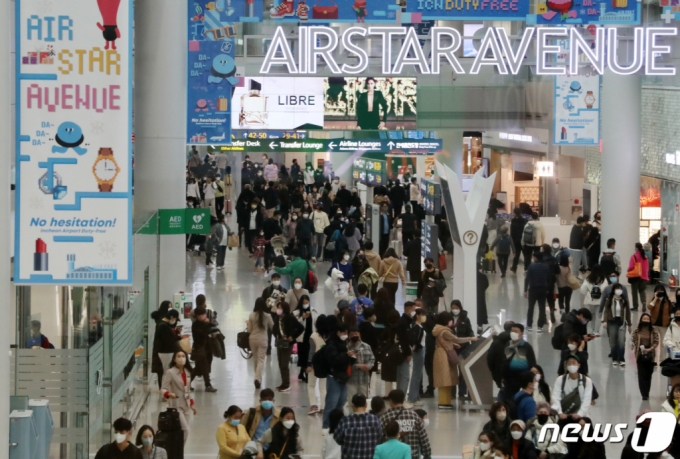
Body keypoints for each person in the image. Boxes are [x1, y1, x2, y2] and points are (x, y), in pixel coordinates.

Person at [433, 311, 477, 408]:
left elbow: (442, 341)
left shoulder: (439, 329)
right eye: (451, 320)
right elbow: (456, 339)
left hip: (441, 353)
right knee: (445, 380)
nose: (452, 323)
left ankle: (445, 401)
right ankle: (443, 403)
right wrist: (471, 338)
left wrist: (452, 344)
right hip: (444, 355)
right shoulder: (445, 331)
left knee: (445, 379)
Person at [379, 390, 432, 459]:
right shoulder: (414, 416)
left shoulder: (384, 417)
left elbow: (379, 439)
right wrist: (427, 455)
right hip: (412, 456)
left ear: (390, 401)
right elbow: (423, 438)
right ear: (403, 400)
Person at [333, 394, 383, 459]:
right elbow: (380, 438)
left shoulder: (345, 421)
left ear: (353, 406)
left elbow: (337, 438)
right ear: (366, 405)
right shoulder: (375, 420)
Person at [161, 351, 197, 441]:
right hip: (176, 406)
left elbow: (187, 390)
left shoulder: (187, 372)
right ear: (174, 359)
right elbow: (163, 389)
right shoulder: (170, 372)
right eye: (179, 356)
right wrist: (169, 394)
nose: (181, 358)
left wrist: (191, 404)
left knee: (182, 431)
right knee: (185, 430)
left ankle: (178, 452)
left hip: (186, 406)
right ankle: (178, 451)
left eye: (183, 356)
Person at [323, 323, 351, 429]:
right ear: (338, 333)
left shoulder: (343, 344)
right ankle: (326, 426)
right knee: (331, 403)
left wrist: (351, 357)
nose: (346, 335)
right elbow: (334, 360)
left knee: (341, 402)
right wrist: (346, 355)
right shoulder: (331, 344)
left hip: (342, 376)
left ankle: (338, 425)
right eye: (344, 333)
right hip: (333, 376)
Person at [274, 302, 305, 392]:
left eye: (280, 307)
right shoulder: (277, 318)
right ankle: (283, 382)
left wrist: (292, 336)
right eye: (278, 307)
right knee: (280, 363)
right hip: (280, 343)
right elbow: (274, 329)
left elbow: (300, 327)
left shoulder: (290, 318)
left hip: (288, 344)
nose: (278, 309)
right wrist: (277, 335)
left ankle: (287, 384)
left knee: (284, 364)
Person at [551, 355, 593, 420]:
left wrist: (579, 414)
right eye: (569, 363)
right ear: (566, 366)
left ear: (578, 365)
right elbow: (556, 398)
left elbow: (587, 400)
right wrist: (560, 413)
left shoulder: (587, 381)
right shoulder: (560, 380)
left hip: (582, 415)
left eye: (574, 363)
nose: (571, 365)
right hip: (564, 414)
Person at [502, 324, 537, 401]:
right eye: (512, 331)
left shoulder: (527, 347)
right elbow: (504, 361)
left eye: (516, 331)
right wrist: (503, 376)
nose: (513, 333)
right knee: (509, 400)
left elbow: (532, 364)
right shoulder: (508, 345)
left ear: (522, 333)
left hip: (522, 378)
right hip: (510, 378)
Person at [600, 282, 632, 366]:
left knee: (621, 341)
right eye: (617, 289)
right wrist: (605, 321)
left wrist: (629, 324)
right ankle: (615, 358)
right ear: (613, 290)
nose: (619, 290)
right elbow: (606, 311)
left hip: (621, 322)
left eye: (620, 289)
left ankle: (621, 358)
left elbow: (628, 313)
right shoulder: (609, 300)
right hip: (611, 322)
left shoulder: (625, 301)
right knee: (613, 341)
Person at [151, 309, 182, 390]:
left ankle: (165, 390)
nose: (175, 321)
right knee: (165, 372)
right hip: (165, 352)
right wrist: (177, 337)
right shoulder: (163, 326)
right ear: (171, 317)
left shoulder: (164, 325)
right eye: (175, 319)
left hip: (165, 352)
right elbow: (168, 340)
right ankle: (164, 390)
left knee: (165, 371)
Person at [631, 313, 660, 400]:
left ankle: (647, 391)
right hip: (640, 354)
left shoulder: (654, 330)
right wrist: (636, 346)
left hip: (650, 354)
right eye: (644, 319)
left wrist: (650, 349)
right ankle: (644, 394)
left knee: (648, 374)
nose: (646, 320)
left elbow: (656, 342)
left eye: (647, 319)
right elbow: (634, 339)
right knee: (641, 374)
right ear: (641, 320)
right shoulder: (637, 330)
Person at [450, 300, 474, 398]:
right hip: (451, 348)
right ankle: (452, 392)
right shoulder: (448, 318)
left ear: (460, 308)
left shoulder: (465, 319)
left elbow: (470, 331)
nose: (455, 310)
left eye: (456, 308)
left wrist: (473, 339)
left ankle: (462, 392)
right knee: (452, 370)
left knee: (462, 370)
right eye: (453, 308)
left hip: (463, 348)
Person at [248, 298, 274, 389]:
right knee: (261, 360)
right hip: (263, 340)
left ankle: (258, 379)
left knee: (255, 360)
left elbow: (249, 330)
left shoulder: (251, 315)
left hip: (253, 339)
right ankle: (257, 379)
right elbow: (273, 327)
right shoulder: (267, 316)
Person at [307, 315, 330, 415]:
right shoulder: (329, 336)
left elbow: (311, 351)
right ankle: (324, 408)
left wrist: (309, 363)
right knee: (323, 387)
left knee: (311, 385)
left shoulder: (313, 336)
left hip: (314, 364)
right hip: (326, 364)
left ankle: (313, 406)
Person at [191, 307, 217, 392]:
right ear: (197, 316)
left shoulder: (200, 324)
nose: (205, 316)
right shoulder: (197, 325)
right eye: (202, 314)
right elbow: (207, 331)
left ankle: (185, 384)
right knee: (204, 367)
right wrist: (207, 323)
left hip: (203, 349)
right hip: (199, 349)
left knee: (197, 368)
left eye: (205, 314)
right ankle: (208, 385)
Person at [345, 327, 375, 402]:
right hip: (351, 380)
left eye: (356, 334)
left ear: (359, 334)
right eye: (352, 334)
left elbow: (372, 359)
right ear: (349, 336)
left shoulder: (367, 346)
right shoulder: (346, 348)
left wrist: (369, 365)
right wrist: (358, 366)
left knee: (363, 400)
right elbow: (345, 364)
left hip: (364, 379)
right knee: (351, 401)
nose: (354, 335)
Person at [524, 252, 551, 332]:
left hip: (533, 289)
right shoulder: (546, 266)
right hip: (543, 289)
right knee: (542, 308)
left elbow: (527, 279)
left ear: (535, 257)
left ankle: (529, 325)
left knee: (531, 307)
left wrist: (525, 290)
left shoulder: (531, 266)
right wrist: (547, 289)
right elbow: (549, 279)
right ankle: (540, 326)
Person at [406, 308, 427, 406]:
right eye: (422, 314)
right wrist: (417, 347)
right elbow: (415, 341)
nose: (424, 316)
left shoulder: (418, 326)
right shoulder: (416, 327)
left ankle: (416, 396)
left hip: (420, 350)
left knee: (418, 374)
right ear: (417, 316)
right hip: (419, 351)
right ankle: (412, 398)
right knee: (416, 374)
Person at [293, 294, 316, 383]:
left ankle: (303, 373)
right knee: (303, 356)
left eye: (307, 302)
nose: (306, 304)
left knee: (309, 355)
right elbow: (296, 325)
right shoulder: (297, 313)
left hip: (311, 336)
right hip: (302, 338)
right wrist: (302, 317)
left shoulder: (313, 311)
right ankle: (305, 373)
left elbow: (315, 323)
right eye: (304, 303)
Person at [580, 265, 606, 334]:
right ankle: (596, 331)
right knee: (598, 315)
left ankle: (593, 328)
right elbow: (606, 290)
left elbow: (582, 290)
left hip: (590, 300)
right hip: (600, 300)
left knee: (592, 315)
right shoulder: (604, 279)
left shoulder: (588, 279)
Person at [488, 321, 514, 389]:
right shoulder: (517, 342)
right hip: (514, 373)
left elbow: (490, 358)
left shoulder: (496, 342)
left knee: (503, 391)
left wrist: (493, 372)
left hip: (499, 372)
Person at [628, 242, 650, 311]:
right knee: (642, 290)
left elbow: (631, 267)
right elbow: (647, 267)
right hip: (644, 277)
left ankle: (635, 306)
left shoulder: (634, 256)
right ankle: (643, 302)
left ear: (637, 248)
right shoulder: (645, 257)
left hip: (635, 276)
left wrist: (628, 270)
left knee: (634, 292)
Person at [510, 208, 528, 273]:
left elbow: (512, 232)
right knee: (525, 255)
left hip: (516, 240)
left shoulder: (513, 220)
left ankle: (514, 267)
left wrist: (512, 241)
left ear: (515, 213)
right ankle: (526, 268)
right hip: (523, 240)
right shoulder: (525, 220)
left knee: (516, 255)